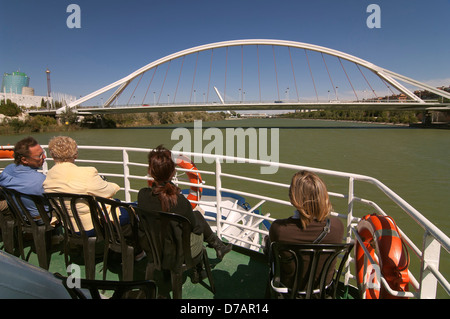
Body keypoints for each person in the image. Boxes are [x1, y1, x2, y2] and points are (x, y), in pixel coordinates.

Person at [137, 145, 232, 261]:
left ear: (150, 172)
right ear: (173, 173)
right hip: (178, 254)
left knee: (196, 217)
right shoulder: (180, 202)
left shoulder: (142, 195)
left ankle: (218, 246)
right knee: (197, 220)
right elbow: (196, 229)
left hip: (153, 250)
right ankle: (216, 247)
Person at [267, 170, 344, 292]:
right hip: (322, 289)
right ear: (323, 196)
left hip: (289, 290)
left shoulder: (279, 229)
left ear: (293, 199)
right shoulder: (337, 226)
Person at [43, 136, 128, 234]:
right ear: (75, 155)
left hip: (68, 225)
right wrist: (113, 185)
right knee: (130, 213)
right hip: (91, 226)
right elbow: (108, 191)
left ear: (52, 155)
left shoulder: (48, 177)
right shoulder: (87, 173)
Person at [0, 136, 49, 220]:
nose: (44, 157)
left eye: (43, 153)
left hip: (17, 216)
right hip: (40, 219)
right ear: (24, 160)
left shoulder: (7, 170)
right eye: (39, 156)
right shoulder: (41, 180)